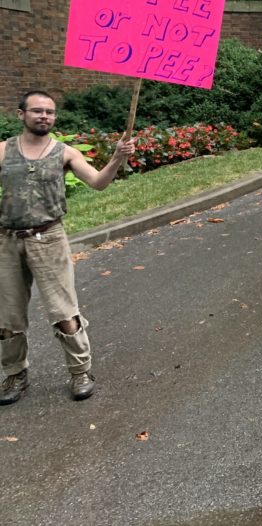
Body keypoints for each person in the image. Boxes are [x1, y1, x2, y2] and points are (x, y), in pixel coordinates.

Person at [0, 90, 136, 404]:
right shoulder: (5, 151)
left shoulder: (65, 153)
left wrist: (117, 157)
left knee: (64, 312)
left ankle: (80, 372)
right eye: (37, 111)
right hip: (7, 242)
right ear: (21, 114)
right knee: (7, 319)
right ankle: (15, 376)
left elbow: (99, 182)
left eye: (49, 112)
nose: (44, 116)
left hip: (48, 238)